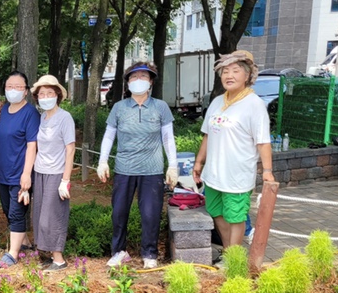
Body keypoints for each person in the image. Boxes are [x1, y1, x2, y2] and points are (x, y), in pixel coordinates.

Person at [97, 61, 177, 269]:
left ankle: (150, 253)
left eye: (143, 76)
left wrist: (173, 166)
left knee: (151, 213)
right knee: (119, 212)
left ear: (150, 82)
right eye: (134, 77)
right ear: (127, 82)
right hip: (124, 169)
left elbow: (168, 138)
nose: (138, 80)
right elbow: (108, 137)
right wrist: (102, 161)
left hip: (152, 169)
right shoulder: (119, 108)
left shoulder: (160, 107)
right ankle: (119, 252)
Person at [193, 50, 274, 248]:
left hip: (237, 175)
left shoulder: (254, 105)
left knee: (236, 217)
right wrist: (198, 162)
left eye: (235, 71)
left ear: (247, 76)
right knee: (217, 212)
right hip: (213, 173)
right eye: (225, 71)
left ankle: (234, 257)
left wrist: (267, 171)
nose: (229, 76)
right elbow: (207, 135)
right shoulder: (217, 101)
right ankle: (230, 252)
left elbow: (263, 142)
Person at [0, 71, 40, 268]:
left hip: (20, 174)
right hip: (2, 172)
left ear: (26, 91)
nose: (13, 90)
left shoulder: (30, 114)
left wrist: (26, 174)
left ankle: (12, 254)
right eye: (10, 86)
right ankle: (25, 242)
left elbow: (32, 145)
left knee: (16, 213)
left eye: (18, 87)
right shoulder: (4, 110)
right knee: (7, 209)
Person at [30, 74, 76, 272]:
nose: (45, 96)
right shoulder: (42, 117)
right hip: (40, 171)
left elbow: (71, 148)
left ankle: (59, 259)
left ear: (57, 95)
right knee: (39, 215)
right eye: (42, 94)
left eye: (49, 93)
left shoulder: (65, 118)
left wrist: (65, 180)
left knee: (52, 216)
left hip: (57, 173)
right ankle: (48, 255)